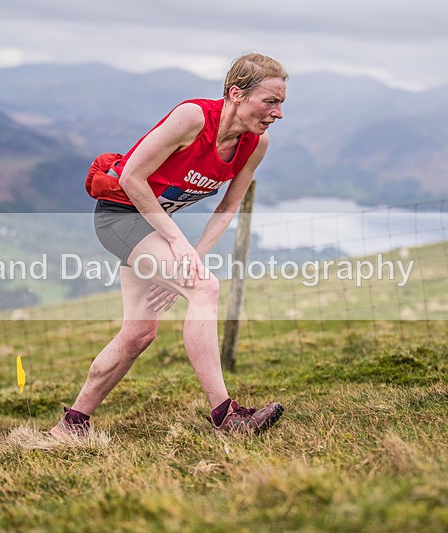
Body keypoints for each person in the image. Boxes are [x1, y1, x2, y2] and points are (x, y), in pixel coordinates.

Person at [52, 52, 287, 438]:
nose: (278, 113)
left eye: (281, 103)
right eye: (270, 101)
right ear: (236, 94)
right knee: (204, 287)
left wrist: (193, 255)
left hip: (154, 225)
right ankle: (226, 416)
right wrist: (178, 244)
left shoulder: (256, 144)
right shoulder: (193, 118)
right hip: (119, 217)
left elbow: (228, 207)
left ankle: (72, 424)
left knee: (139, 333)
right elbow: (131, 177)